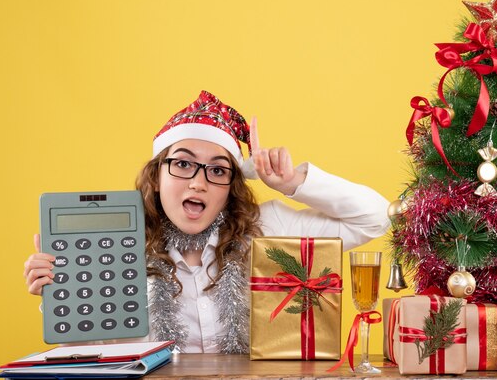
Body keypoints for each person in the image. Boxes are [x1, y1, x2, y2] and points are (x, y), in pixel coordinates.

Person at [23, 90, 390, 353]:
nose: (198, 182)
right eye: (182, 163)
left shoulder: (269, 228)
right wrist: (61, 295)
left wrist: (291, 182)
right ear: (155, 177)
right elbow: (84, 357)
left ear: (231, 187)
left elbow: (373, 219)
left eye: (217, 170)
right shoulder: (117, 246)